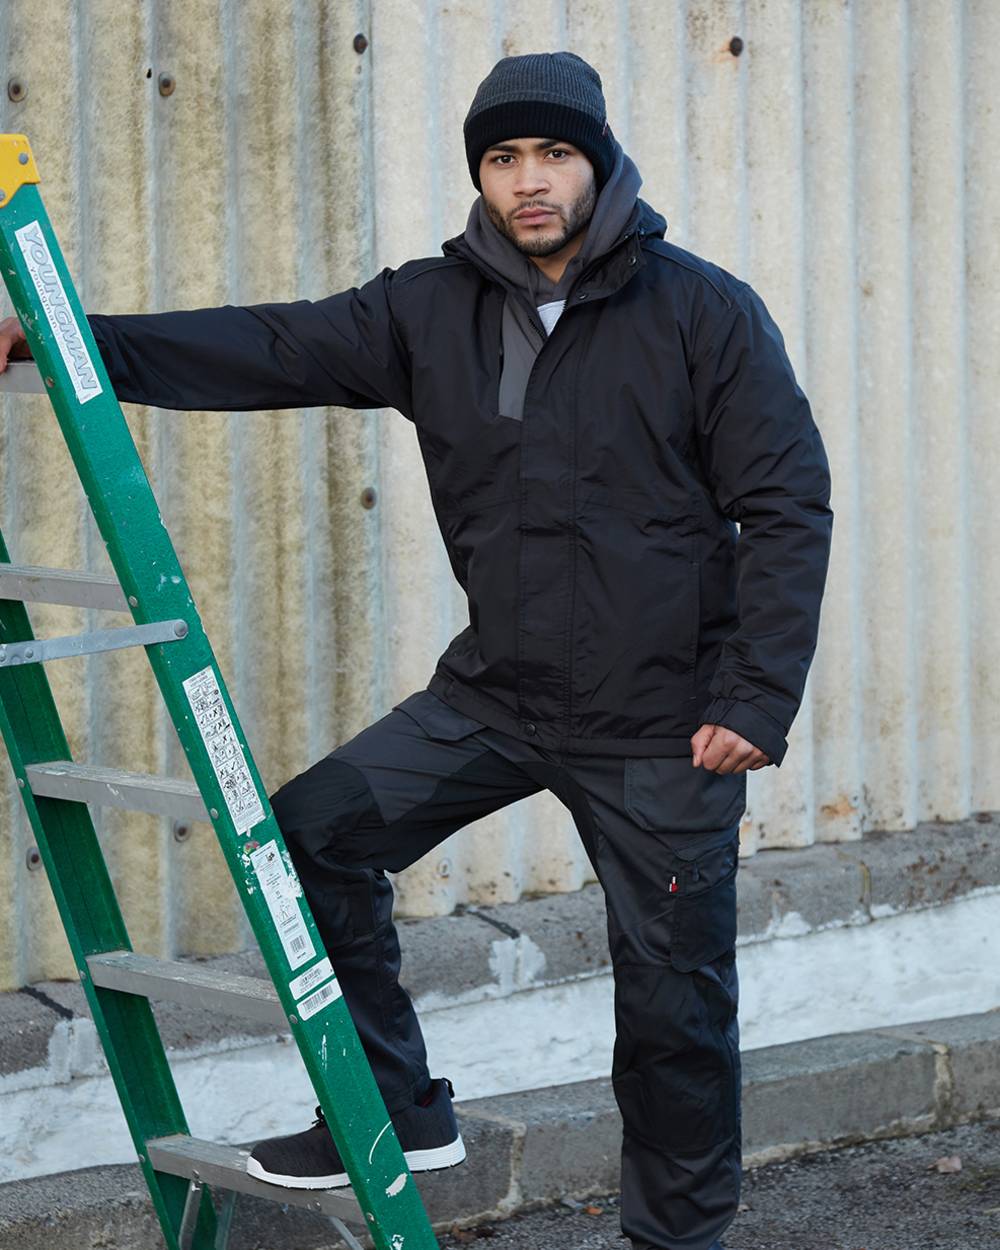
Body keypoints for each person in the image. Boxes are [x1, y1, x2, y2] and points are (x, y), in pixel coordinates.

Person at [0, 50, 833, 1250]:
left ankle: (676, 1240)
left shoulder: (700, 312)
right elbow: (273, 346)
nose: (528, 180)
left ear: (596, 161)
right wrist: (61, 342)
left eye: (552, 154)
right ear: (480, 177)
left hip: (664, 721)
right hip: (497, 692)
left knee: (673, 1014)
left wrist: (756, 692)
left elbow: (786, 500)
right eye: (503, 159)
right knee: (311, 831)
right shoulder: (427, 306)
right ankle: (395, 1107)